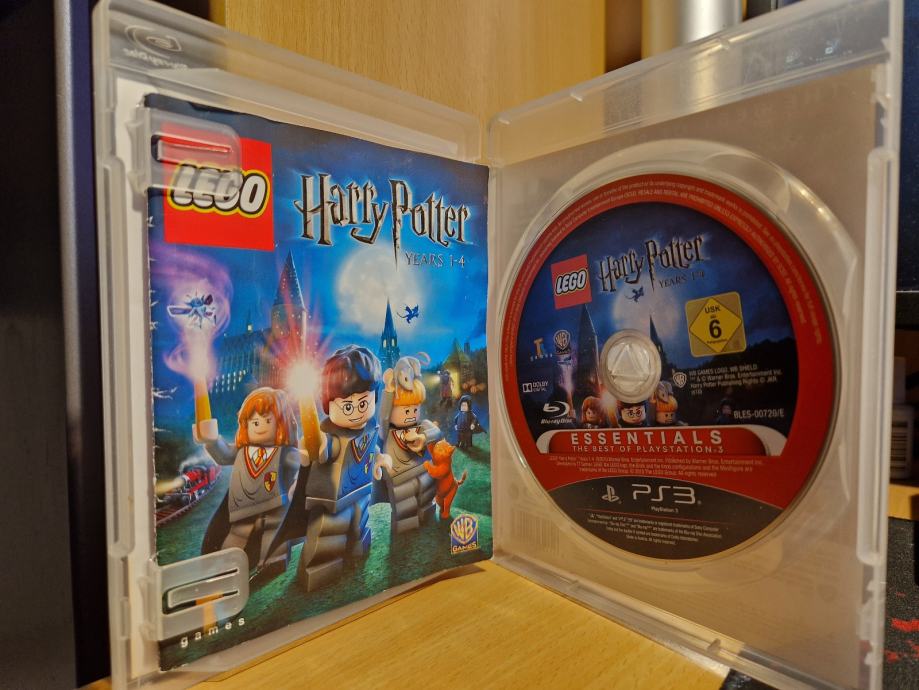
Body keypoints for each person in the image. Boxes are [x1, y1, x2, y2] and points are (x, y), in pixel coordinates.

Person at [195, 387, 300, 575]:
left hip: (276, 505)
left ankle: (275, 561)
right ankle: (225, 566)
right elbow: (222, 454)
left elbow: (301, 461)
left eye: (268, 421)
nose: (260, 427)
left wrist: (311, 452)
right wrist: (211, 440)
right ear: (246, 425)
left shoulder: (284, 453)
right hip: (243, 507)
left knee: (274, 534)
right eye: (255, 422)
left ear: (281, 423)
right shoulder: (241, 452)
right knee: (237, 534)